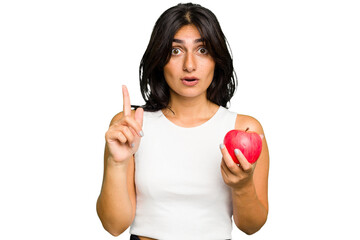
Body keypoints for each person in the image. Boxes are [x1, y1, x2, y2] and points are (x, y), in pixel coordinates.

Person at [96, 3, 269, 240]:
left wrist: (242, 186)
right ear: (160, 59)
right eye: (176, 51)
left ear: (217, 59)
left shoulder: (244, 128)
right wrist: (116, 163)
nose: (189, 65)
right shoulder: (131, 125)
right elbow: (114, 226)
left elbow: (251, 226)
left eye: (202, 50)